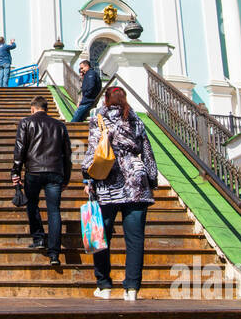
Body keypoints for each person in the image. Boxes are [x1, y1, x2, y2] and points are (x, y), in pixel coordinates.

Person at [81, 84, 158, 302]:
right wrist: (152, 181)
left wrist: (87, 177)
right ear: (124, 99)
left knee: (100, 235)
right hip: (136, 184)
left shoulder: (99, 120)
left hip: (108, 184)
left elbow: (93, 151)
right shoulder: (137, 121)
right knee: (135, 239)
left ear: (106, 100)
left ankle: (104, 285)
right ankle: (131, 288)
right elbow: (148, 153)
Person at [11, 94, 72, 267]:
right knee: (54, 211)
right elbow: (67, 154)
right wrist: (66, 177)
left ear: (33, 108)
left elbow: (20, 148)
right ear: (46, 108)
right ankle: (54, 254)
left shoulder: (26, 122)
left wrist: (15, 171)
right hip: (55, 173)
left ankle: (38, 238)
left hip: (34, 172)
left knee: (32, 204)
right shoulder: (60, 125)